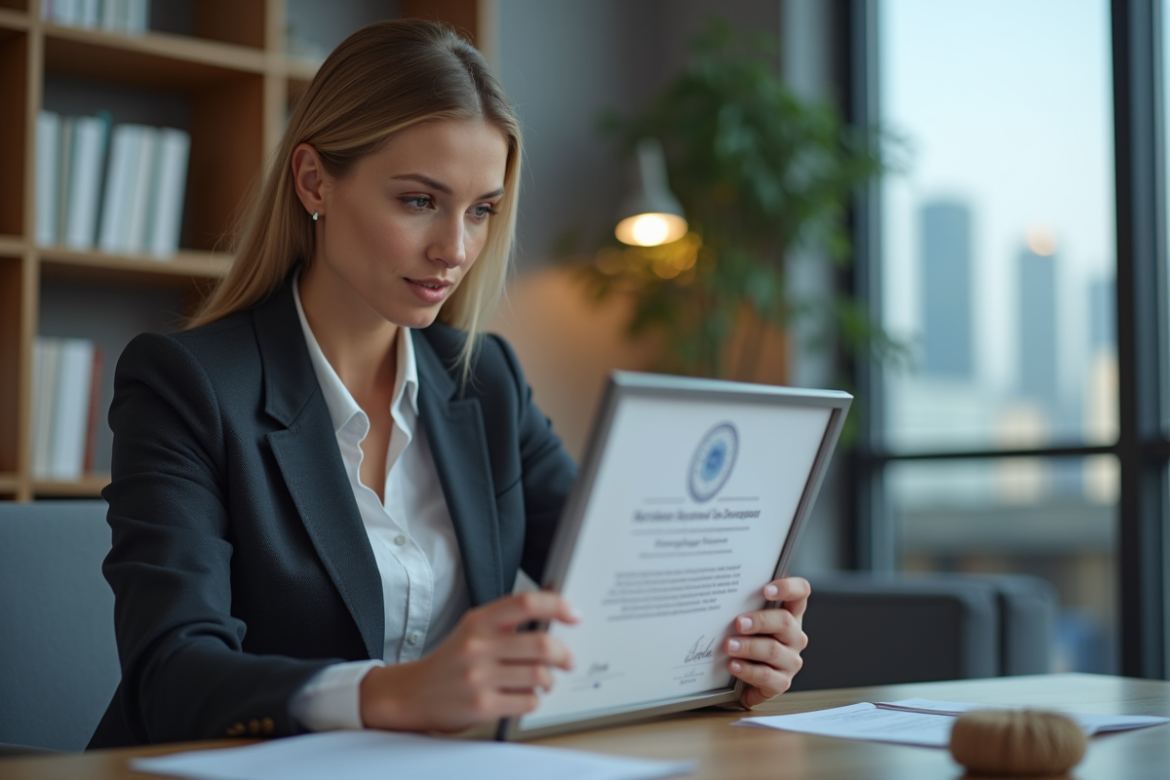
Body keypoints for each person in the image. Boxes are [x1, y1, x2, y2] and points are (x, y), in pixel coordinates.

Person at [88, 19, 811, 748]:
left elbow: (613, 587)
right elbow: (171, 674)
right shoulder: (187, 385)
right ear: (314, 181)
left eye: (481, 210)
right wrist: (391, 693)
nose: (455, 248)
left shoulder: (484, 382)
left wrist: (726, 646)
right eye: (417, 201)